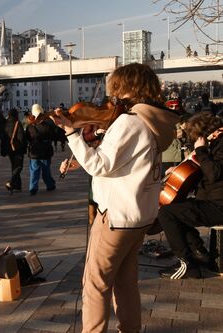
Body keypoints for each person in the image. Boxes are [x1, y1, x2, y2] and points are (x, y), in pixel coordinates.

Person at [52, 63, 179, 333]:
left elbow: (101, 165)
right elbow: (127, 163)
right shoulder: (153, 121)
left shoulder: (129, 121)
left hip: (116, 217)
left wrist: (71, 133)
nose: (111, 94)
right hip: (140, 216)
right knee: (125, 282)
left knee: (95, 284)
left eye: (115, 87)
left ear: (125, 87)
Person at [158, 112, 223, 279]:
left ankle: (186, 262)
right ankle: (199, 253)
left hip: (218, 206)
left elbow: (214, 173)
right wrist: (179, 171)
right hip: (211, 202)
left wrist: (201, 150)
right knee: (176, 208)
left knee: (167, 214)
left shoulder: (221, 144)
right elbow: (206, 174)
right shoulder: (215, 144)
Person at [26, 103, 57, 195]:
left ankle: (33, 188)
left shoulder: (30, 126)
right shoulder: (48, 125)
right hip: (45, 151)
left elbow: (27, 138)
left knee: (34, 171)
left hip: (34, 152)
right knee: (46, 170)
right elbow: (53, 135)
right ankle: (50, 185)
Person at [3, 108, 26, 193]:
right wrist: (23, 148)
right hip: (17, 149)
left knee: (14, 167)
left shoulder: (6, 124)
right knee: (19, 167)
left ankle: (17, 185)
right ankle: (11, 182)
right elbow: (21, 138)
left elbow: (4, 137)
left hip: (9, 149)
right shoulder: (17, 123)